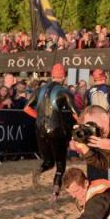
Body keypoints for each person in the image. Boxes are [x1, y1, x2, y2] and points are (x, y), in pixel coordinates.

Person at [25, 63, 77, 196]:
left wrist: (40, 117)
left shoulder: (40, 90)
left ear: (51, 75)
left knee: (48, 161)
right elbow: (75, 113)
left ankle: (38, 171)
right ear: (64, 76)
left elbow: (26, 108)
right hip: (56, 129)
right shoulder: (64, 91)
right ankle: (55, 193)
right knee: (60, 163)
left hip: (40, 128)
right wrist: (82, 123)